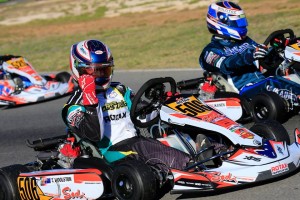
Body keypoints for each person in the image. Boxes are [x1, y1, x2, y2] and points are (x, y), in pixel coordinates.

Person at [61, 39, 191, 174]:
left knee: (173, 134)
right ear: (79, 69)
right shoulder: (73, 106)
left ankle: (205, 147)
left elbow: (143, 118)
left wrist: (160, 102)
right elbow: (94, 134)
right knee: (144, 147)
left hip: (137, 143)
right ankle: (190, 167)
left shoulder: (119, 90)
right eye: (94, 71)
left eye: (104, 70)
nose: (100, 75)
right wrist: (90, 100)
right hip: (111, 153)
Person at [199, 1, 300, 98]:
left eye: (241, 21)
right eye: (237, 22)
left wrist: (277, 48)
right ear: (221, 21)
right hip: (243, 90)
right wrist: (249, 56)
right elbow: (226, 64)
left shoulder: (245, 41)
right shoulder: (211, 51)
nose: (241, 25)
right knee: (273, 82)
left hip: (261, 81)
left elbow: (262, 58)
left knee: (290, 63)